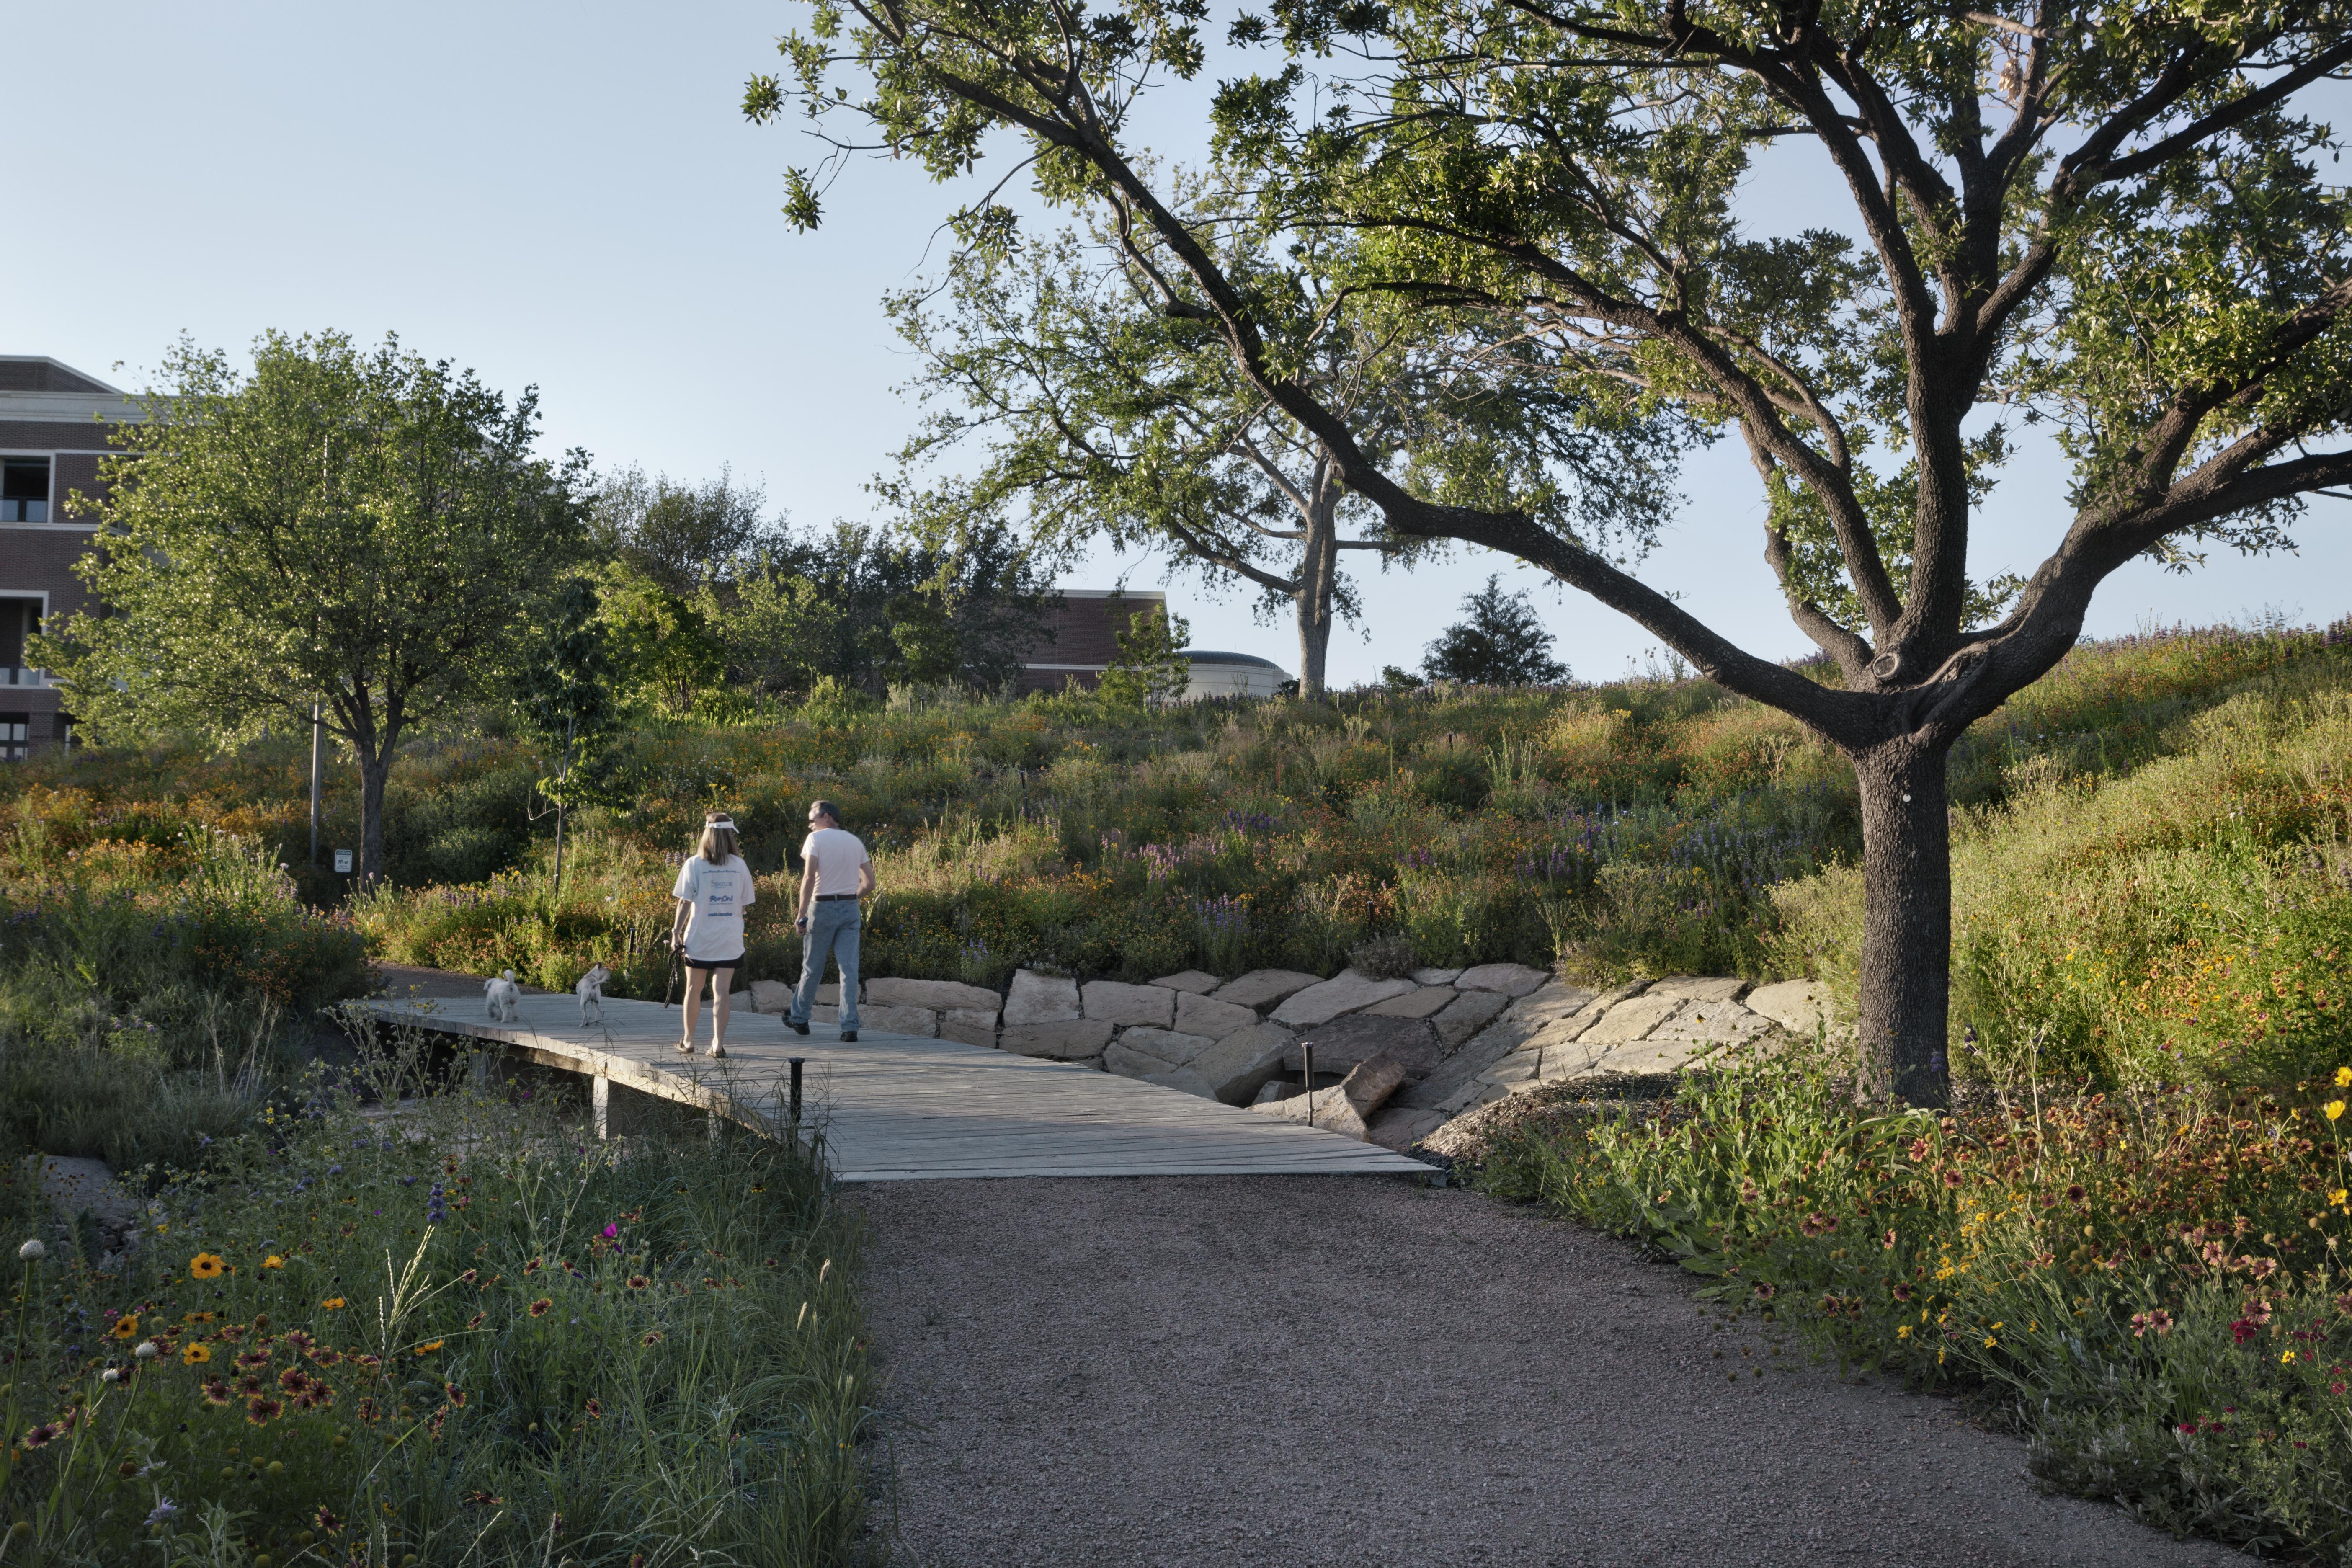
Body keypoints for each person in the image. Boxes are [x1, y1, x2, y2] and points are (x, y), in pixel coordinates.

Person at [787, 799, 875, 1041]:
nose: (810, 825)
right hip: (850, 909)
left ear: (826, 817)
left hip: (822, 907)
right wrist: (849, 899)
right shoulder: (854, 841)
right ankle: (849, 1028)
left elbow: (808, 877)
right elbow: (870, 883)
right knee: (848, 970)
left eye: (812, 820)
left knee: (813, 967)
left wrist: (801, 913)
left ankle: (800, 1019)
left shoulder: (816, 839)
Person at [670, 810, 755, 1058]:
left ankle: (688, 1041)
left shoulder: (694, 864)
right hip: (729, 939)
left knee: (693, 990)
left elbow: (684, 903)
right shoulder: (740, 866)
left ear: (706, 834)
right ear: (731, 835)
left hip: (700, 938)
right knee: (722, 992)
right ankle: (717, 1045)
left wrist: (676, 933)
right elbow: (744, 903)